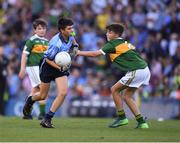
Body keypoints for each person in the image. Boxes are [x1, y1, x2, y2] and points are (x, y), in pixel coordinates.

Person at [77, 23, 150, 129]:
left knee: (114, 90)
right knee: (126, 96)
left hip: (137, 70)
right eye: (107, 32)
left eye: (109, 32)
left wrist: (79, 52)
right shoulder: (125, 42)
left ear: (116, 34)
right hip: (144, 69)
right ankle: (142, 122)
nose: (107, 34)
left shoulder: (112, 44)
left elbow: (95, 54)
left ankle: (122, 118)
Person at [22, 17, 79, 128]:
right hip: (48, 66)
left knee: (63, 93)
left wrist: (76, 45)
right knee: (43, 96)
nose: (71, 30)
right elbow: (47, 59)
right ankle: (30, 100)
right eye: (69, 28)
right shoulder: (55, 42)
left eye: (72, 28)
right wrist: (59, 67)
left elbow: (73, 38)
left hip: (60, 67)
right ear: (62, 30)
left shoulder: (71, 34)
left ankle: (47, 118)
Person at [19, 18, 48, 120]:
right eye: (39, 28)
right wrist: (22, 69)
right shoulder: (31, 40)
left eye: (44, 28)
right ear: (35, 30)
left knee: (35, 89)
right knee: (43, 88)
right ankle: (42, 114)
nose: (42, 30)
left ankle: (26, 111)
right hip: (33, 66)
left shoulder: (46, 42)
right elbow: (24, 55)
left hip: (42, 68)